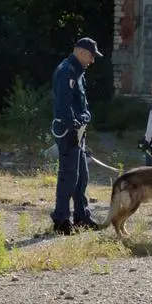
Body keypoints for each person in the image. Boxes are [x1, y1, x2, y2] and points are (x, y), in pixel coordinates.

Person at [50, 37, 103, 235]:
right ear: (80, 51)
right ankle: (61, 220)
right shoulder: (66, 71)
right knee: (68, 177)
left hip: (78, 132)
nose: (92, 60)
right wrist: (74, 124)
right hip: (68, 132)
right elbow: (63, 106)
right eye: (91, 55)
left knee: (82, 177)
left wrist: (85, 117)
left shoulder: (78, 73)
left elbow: (81, 105)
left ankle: (82, 217)